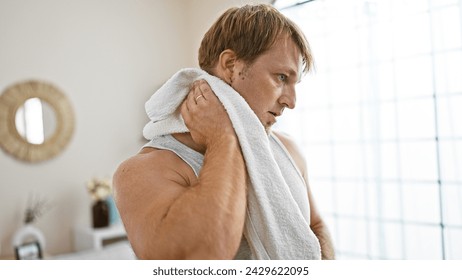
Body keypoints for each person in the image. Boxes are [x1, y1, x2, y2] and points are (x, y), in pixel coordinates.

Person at [113, 3, 335, 260]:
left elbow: (315, 227)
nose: (291, 101)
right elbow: (201, 255)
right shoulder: (140, 172)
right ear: (230, 66)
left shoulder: (289, 149)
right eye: (282, 77)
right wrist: (223, 138)